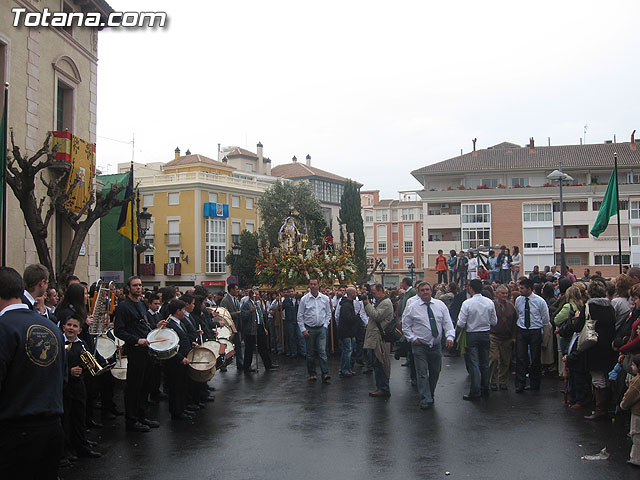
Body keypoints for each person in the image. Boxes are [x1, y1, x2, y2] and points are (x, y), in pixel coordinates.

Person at [0, 267, 66, 479]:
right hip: (52, 427)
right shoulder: (51, 326)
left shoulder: (4, 327)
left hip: (15, 431)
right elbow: (62, 377)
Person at [114, 276, 163, 432]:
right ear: (128, 287)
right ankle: (132, 419)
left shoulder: (141, 304)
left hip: (146, 351)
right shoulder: (123, 307)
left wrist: (156, 327)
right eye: (135, 285)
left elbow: (143, 326)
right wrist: (137, 340)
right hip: (135, 350)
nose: (138, 288)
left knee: (145, 385)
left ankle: (142, 415)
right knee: (134, 387)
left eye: (140, 285)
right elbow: (119, 331)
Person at [402, 281, 455, 409]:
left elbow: (447, 323)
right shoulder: (412, 307)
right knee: (421, 372)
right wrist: (413, 338)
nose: (425, 292)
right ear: (418, 293)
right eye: (422, 290)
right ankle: (425, 397)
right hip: (420, 345)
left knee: (435, 371)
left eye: (427, 289)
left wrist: (450, 336)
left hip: (436, 346)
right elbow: (405, 325)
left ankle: (430, 393)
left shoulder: (440, 305)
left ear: (431, 291)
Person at [61, 315, 101, 460]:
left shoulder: (82, 344)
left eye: (75, 326)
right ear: (63, 327)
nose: (71, 328)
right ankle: (66, 449)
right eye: (69, 325)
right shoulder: (60, 343)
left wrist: (87, 367)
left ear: (79, 330)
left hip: (79, 385)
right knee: (65, 418)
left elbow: (89, 362)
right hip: (65, 386)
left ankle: (81, 446)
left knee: (79, 416)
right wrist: (69, 372)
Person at [581, 280, 617, 421]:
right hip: (608, 344)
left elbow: (580, 325)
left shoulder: (589, 306)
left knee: (597, 377)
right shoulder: (610, 306)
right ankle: (605, 406)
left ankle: (600, 409)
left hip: (594, 345)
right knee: (605, 375)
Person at [457, 279, 498, 400]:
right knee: (485, 362)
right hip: (485, 333)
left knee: (474, 363)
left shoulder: (467, 303)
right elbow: (494, 321)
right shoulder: (489, 302)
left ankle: (475, 391)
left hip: (472, 334)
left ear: (471, 288)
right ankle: (485, 388)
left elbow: (461, 323)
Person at [514, 278, 550, 393]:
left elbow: (545, 318)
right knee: (521, 357)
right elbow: (517, 313)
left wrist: (540, 329)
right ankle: (520, 383)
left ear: (529, 289)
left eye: (522, 288)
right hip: (522, 329)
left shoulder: (540, 301)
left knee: (535, 358)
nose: (520, 290)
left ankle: (535, 383)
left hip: (534, 330)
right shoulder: (519, 300)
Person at [164, 299, 196, 420]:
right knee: (176, 387)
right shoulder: (170, 325)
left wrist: (192, 343)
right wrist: (180, 358)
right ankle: (176, 412)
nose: (184, 311)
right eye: (183, 309)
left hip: (184, 358)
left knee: (182, 385)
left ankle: (182, 408)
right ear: (177, 311)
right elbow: (169, 345)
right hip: (176, 361)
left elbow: (184, 338)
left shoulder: (180, 323)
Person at [364, 284, 394, 398]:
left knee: (381, 363)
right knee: (377, 363)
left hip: (380, 338)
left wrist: (367, 304)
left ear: (381, 290)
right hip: (376, 337)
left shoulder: (386, 303)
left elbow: (376, 315)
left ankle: (384, 388)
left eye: (374, 292)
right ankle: (380, 387)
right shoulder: (381, 301)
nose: (373, 295)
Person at [298, 279, 332, 382]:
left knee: (322, 351)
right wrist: (303, 329)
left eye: (315, 284)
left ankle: (325, 373)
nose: (313, 286)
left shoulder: (325, 298)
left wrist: (326, 325)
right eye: (311, 284)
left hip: (321, 328)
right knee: (310, 353)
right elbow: (300, 315)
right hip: (310, 329)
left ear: (318, 286)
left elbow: (328, 313)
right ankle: (312, 373)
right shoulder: (304, 299)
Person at [241, 290, 279, 373]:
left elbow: (260, 316)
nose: (258, 295)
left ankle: (268, 365)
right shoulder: (246, 304)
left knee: (263, 346)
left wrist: (263, 327)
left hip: (259, 326)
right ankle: (247, 366)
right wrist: (250, 311)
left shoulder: (257, 303)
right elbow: (243, 316)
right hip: (251, 328)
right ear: (252, 295)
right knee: (249, 348)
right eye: (256, 294)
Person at [490, 285, 517, 391]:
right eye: (503, 293)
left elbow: (515, 322)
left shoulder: (511, 306)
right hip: (494, 335)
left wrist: (514, 336)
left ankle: (503, 381)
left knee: (505, 360)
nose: (505, 295)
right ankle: (492, 380)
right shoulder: (492, 305)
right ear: (497, 294)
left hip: (507, 337)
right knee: (494, 358)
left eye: (506, 293)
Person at [620, 354, 640, 467]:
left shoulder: (637, 381)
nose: (632, 367)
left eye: (633, 365)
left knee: (636, 434)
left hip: (637, 412)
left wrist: (623, 405)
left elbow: (629, 396)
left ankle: (636, 458)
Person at [220, 284, 244, 370]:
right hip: (229, 327)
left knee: (238, 345)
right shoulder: (225, 300)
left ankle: (240, 364)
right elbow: (223, 314)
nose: (238, 291)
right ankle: (223, 364)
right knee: (227, 346)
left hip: (236, 326)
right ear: (231, 290)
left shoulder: (235, 299)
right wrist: (236, 313)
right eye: (236, 289)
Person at [338, 287, 358, 377]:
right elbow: (348, 319)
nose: (356, 294)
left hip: (349, 331)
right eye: (355, 293)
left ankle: (346, 368)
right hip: (346, 331)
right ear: (351, 294)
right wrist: (356, 317)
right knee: (347, 350)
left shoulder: (348, 303)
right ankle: (345, 369)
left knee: (347, 350)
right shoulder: (346, 305)